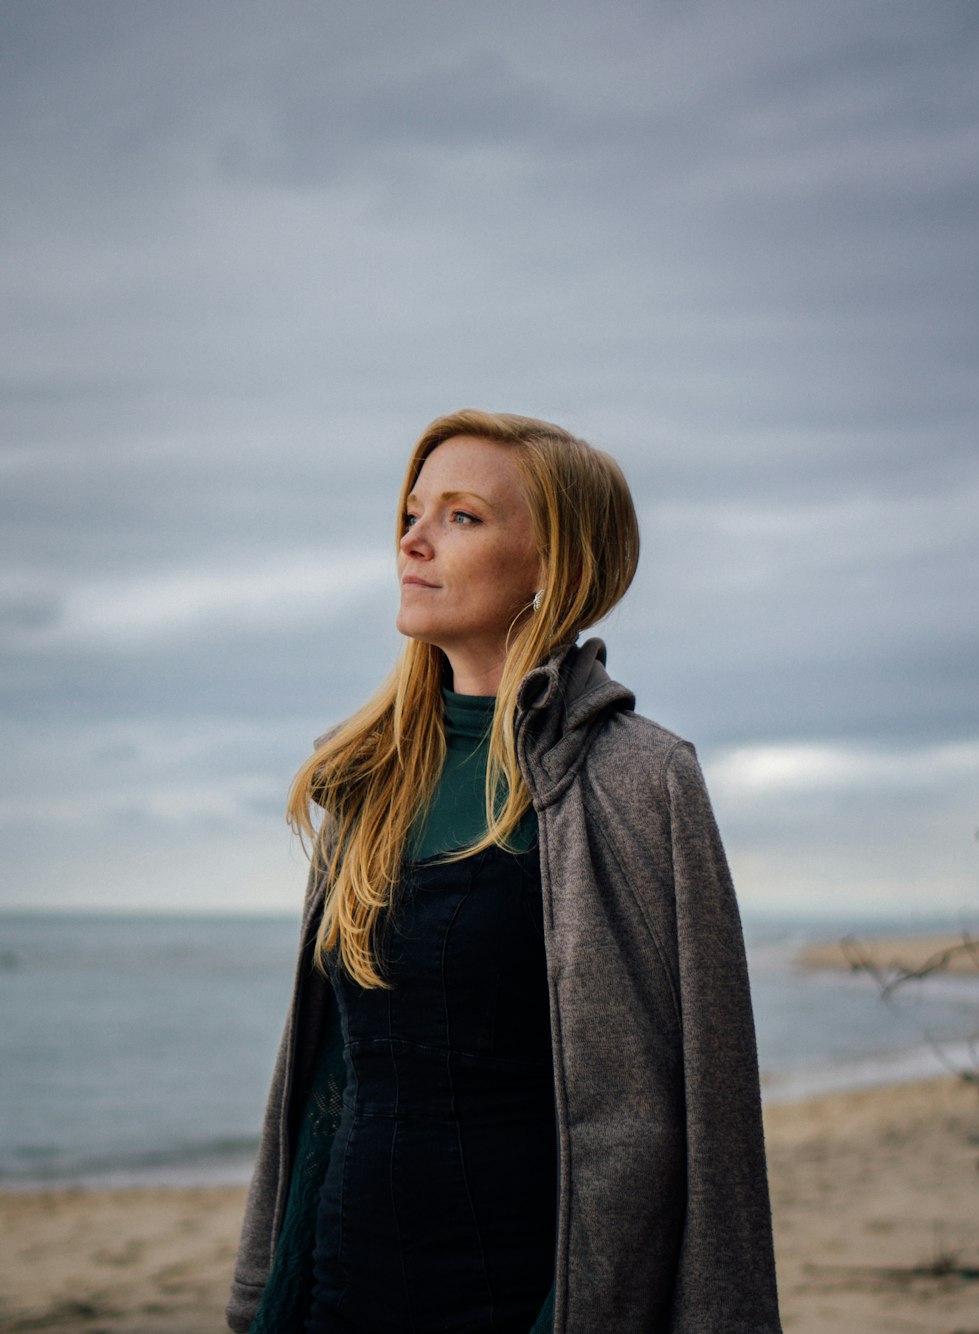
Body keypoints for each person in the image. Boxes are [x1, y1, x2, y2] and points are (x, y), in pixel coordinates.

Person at [227, 410, 782, 1333]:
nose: (412, 539)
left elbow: (704, 1113)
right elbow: (327, 1081)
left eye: (462, 516)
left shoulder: (639, 780)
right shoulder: (367, 776)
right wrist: (268, 1300)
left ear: (553, 562)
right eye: (411, 513)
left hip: (535, 1299)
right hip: (341, 1289)